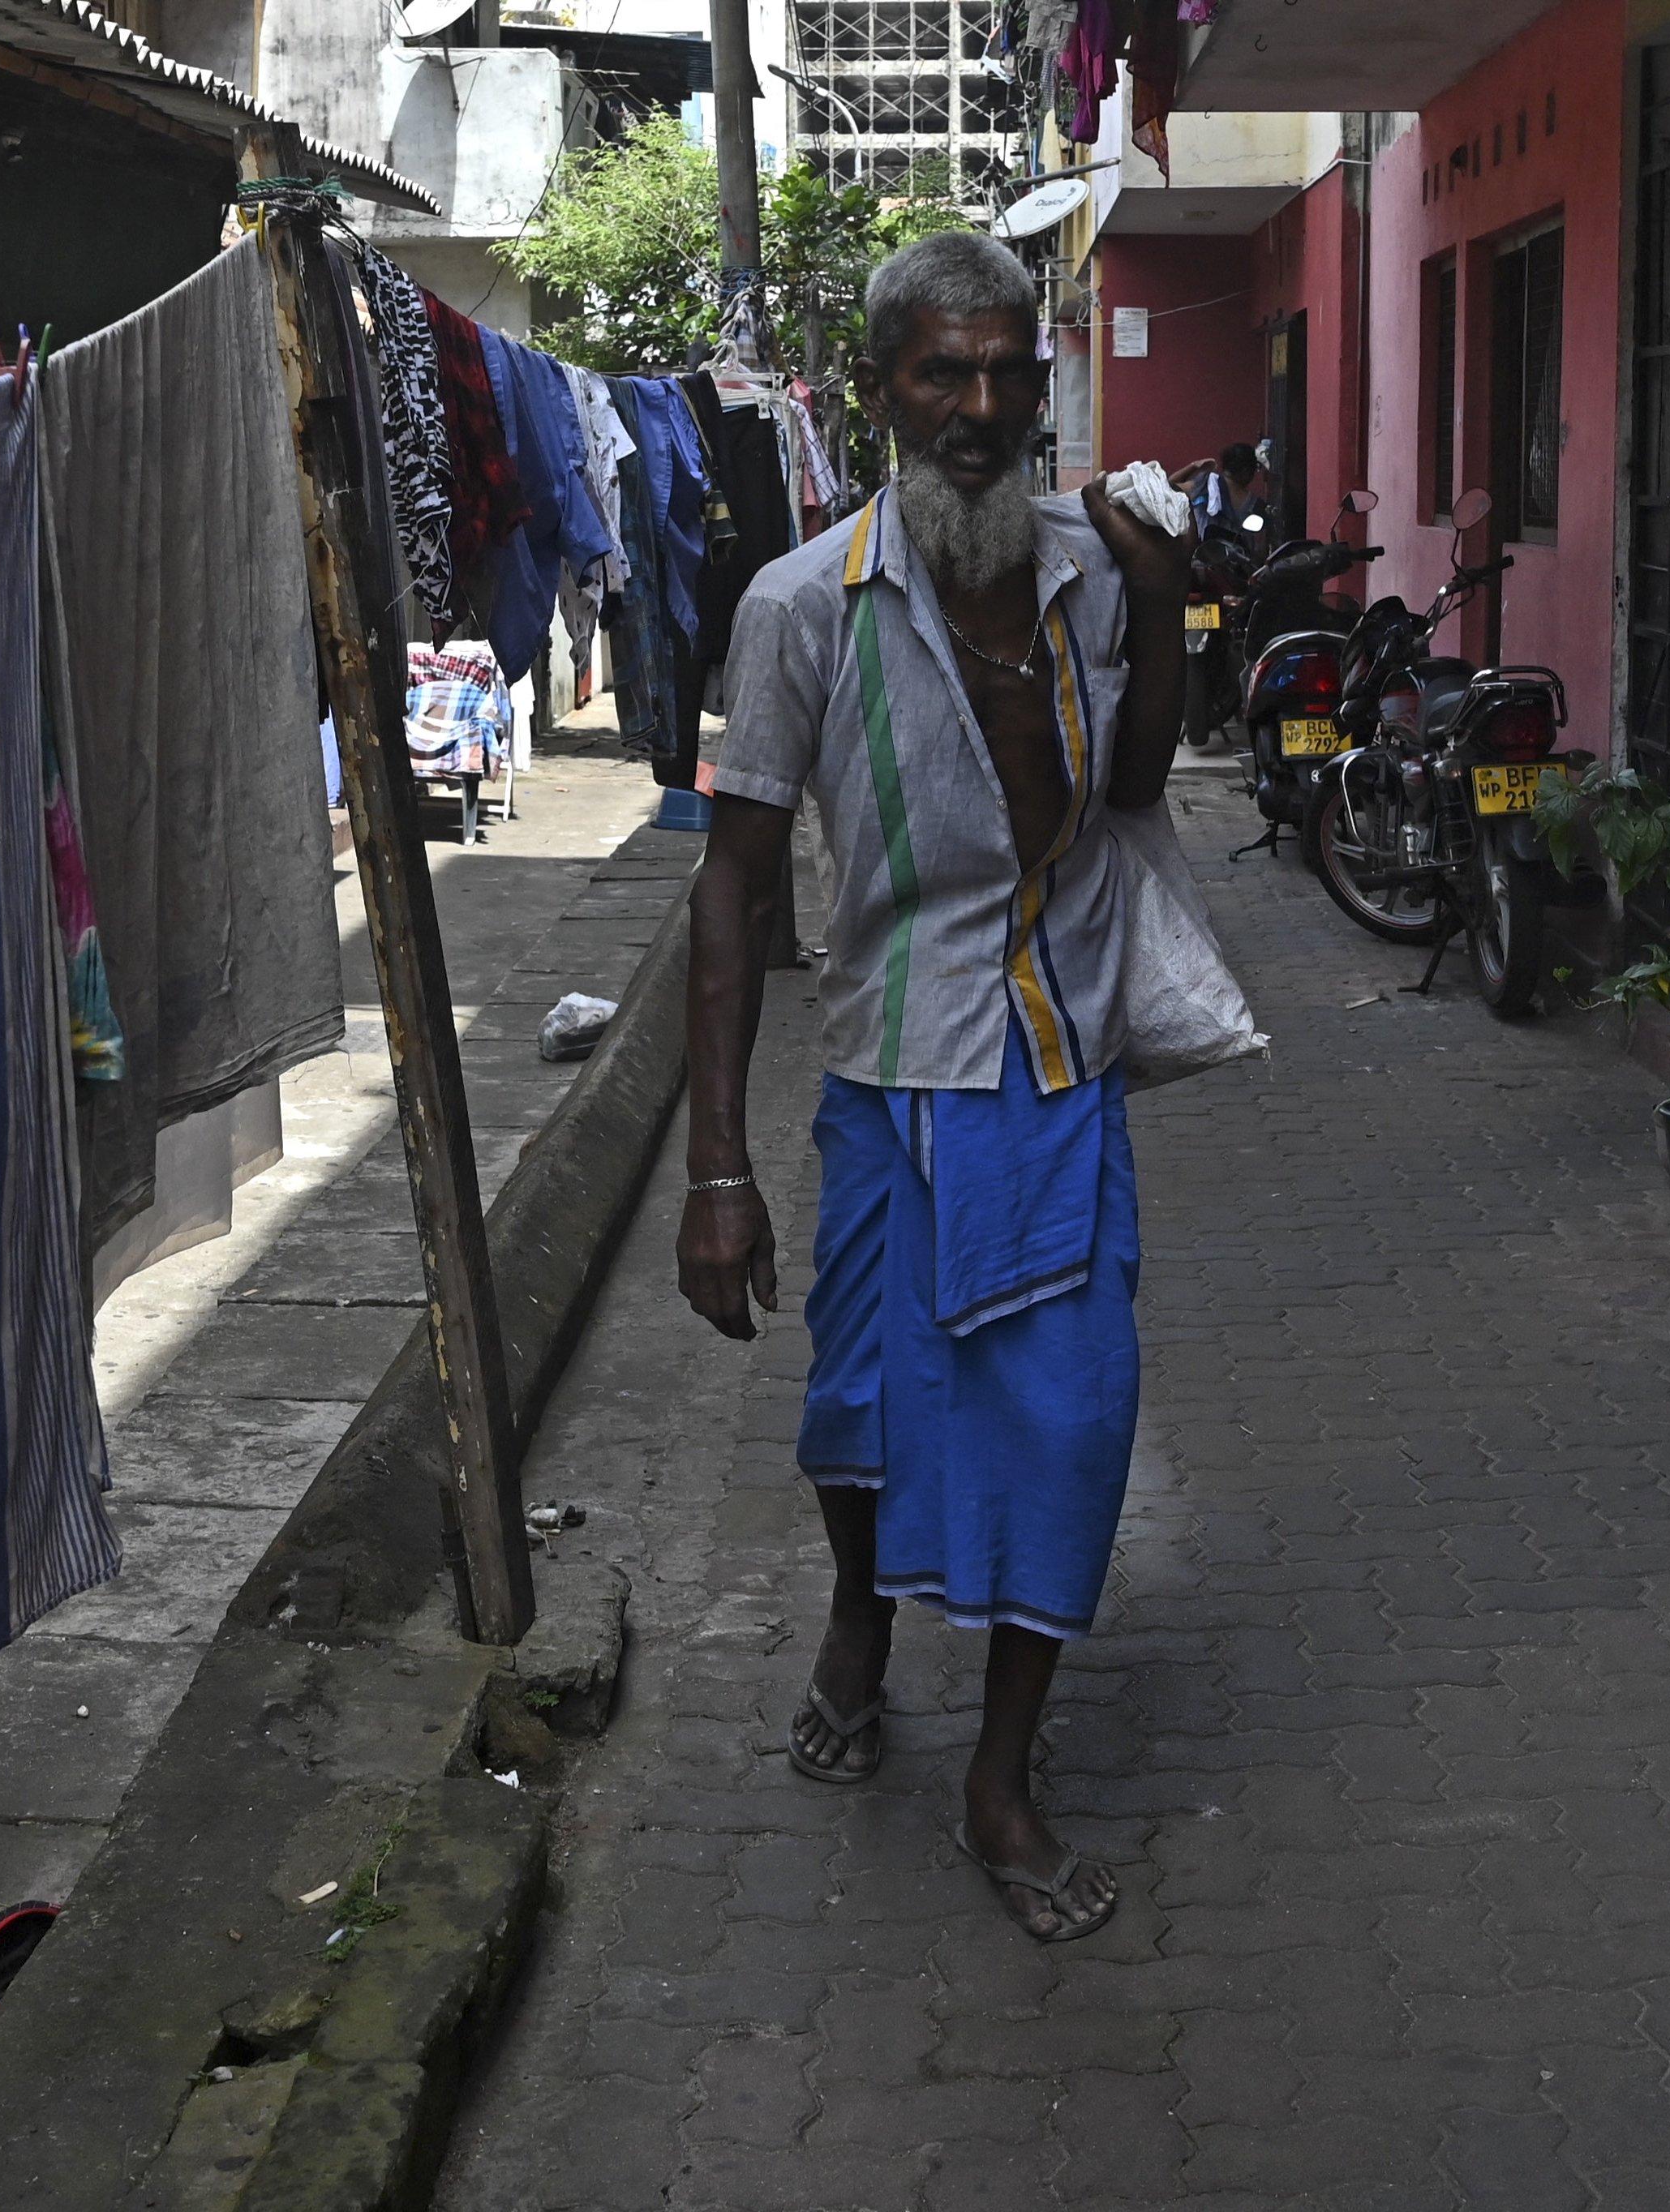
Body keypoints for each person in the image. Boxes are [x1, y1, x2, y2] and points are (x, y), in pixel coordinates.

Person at [674, 229, 1188, 1942]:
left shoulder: (1092, 574)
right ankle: (858, 1614)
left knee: (1074, 1418)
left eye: (1002, 375)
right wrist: (716, 1169)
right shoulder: (797, 606)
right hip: (888, 1078)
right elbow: (733, 888)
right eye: (938, 374)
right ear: (879, 388)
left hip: (1057, 1066)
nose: (976, 407)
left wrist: (1171, 607)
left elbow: (1129, 781)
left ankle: (1001, 1771)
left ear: (1036, 386)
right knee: (860, 1416)